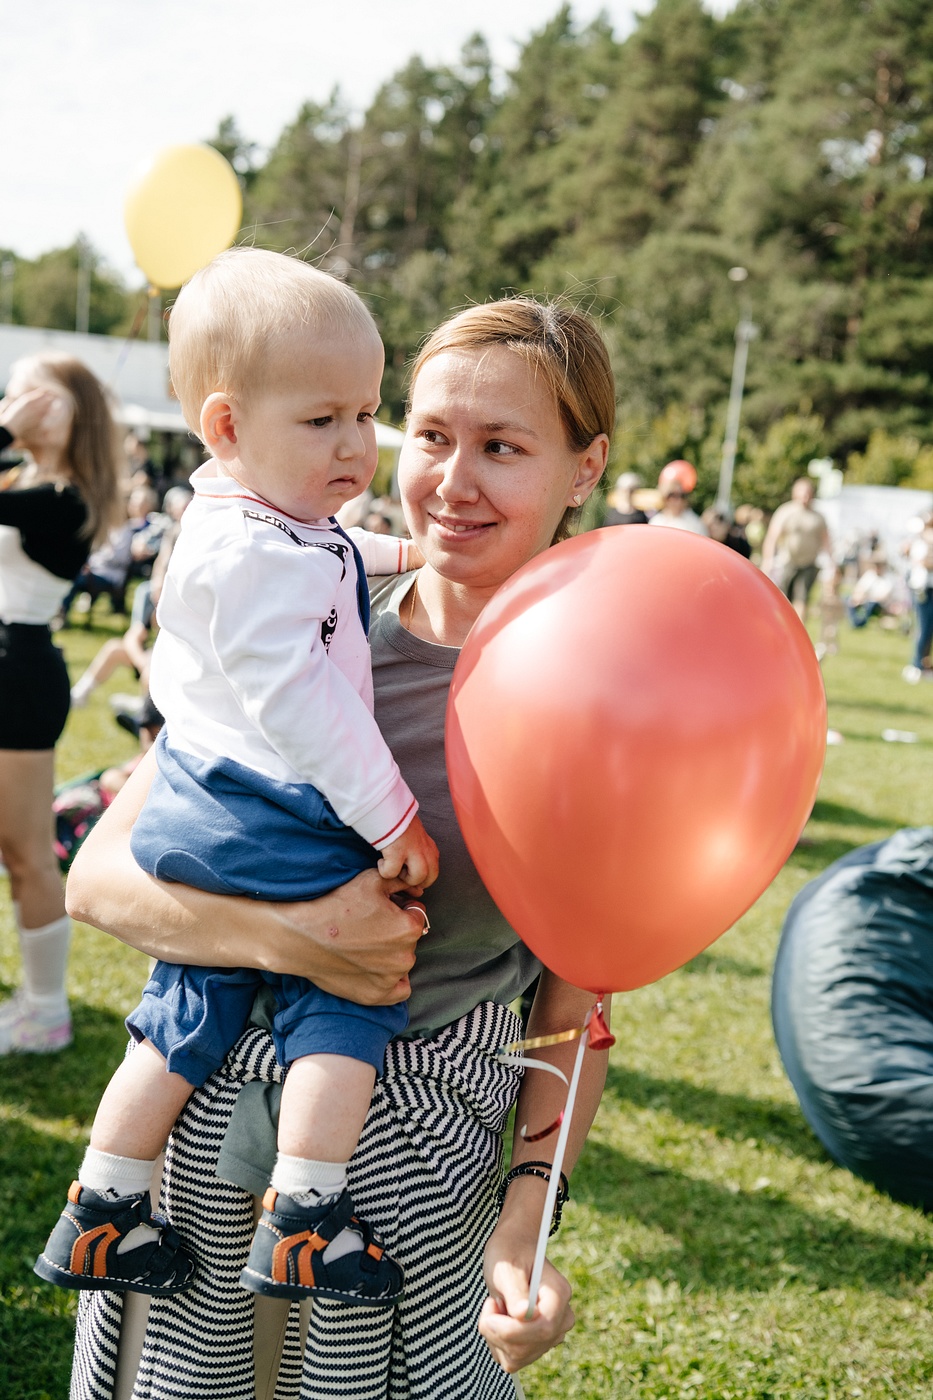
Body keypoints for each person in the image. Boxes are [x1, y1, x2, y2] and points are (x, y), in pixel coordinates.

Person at [63, 295, 613, 1399]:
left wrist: (526, 1215)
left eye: (503, 447)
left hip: (411, 1153)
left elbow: (576, 1002)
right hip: (203, 1104)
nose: (453, 480)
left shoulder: (606, 688)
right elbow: (101, 873)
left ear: (585, 468)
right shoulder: (309, 603)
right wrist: (300, 941)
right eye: (432, 434)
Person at [38, 249, 439, 1308]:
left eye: (367, 412)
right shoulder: (260, 553)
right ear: (225, 426)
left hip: (198, 797)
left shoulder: (250, 516)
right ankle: (308, 1215)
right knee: (347, 995)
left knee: (187, 1001)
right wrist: (390, 811)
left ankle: (104, 1202)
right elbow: (301, 702)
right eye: (324, 421)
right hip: (270, 805)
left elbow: (338, 548)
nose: (358, 443)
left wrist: (413, 557)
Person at [0, 354, 121, 1054]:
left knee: (25, 852)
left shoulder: (68, 499)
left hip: (19, 676)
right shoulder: (28, 480)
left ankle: (46, 1012)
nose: (20, 402)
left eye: (36, 394)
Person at [68, 485, 193, 708]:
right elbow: (133, 637)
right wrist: (144, 663)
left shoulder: (188, 599)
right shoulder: (149, 593)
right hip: (153, 659)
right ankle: (80, 695)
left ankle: (145, 711)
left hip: (180, 666)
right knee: (115, 648)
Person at [760, 477, 832, 623]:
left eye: (808, 493)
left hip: (808, 563)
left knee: (802, 598)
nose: (805, 497)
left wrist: (831, 563)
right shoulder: (785, 512)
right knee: (782, 597)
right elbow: (772, 537)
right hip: (787, 562)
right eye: (802, 493)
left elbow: (826, 541)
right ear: (795, 493)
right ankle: (779, 628)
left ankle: (798, 632)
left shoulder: (818, 517)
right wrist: (768, 561)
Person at [902, 511, 933, 683]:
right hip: (923, 589)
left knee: (928, 629)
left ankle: (924, 662)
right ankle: (917, 663)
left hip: (929, 587)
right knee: (924, 627)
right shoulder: (920, 541)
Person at [845, 550, 897, 628]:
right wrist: (858, 596)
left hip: (879, 605)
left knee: (871, 604)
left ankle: (861, 623)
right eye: (875, 565)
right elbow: (860, 587)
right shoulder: (870, 575)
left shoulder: (888, 578)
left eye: (879, 565)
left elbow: (883, 597)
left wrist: (866, 599)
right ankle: (854, 621)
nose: (877, 567)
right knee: (848, 598)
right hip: (865, 600)